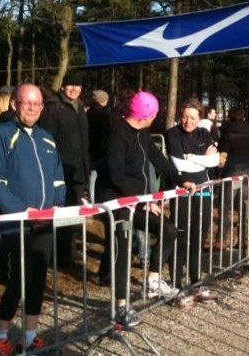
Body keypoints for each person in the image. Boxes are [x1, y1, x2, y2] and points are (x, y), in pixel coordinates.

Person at [95, 90, 196, 327]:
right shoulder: (117, 135)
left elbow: (158, 158)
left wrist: (181, 179)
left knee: (168, 230)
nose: (155, 118)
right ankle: (120, 308)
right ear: (146, 115)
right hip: (117, 204)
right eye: (155, 114)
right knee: (122, 254)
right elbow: (116, 174)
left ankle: (152, 280)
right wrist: (142, 201)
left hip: (136, 202)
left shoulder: (143, 132)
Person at [0, 83, 66, 355]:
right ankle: (0, 336)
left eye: (37, 104)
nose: (32, 108)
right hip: (15, 224)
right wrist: (23, 211)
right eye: (26, 103)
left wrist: (58, 203)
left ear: (42, 108)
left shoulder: (46, 137)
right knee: (17, 282)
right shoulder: (1, 134)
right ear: (14, 104)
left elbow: (58, 177)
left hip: (44, 222)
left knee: (37, 279)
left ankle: (30, 335)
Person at [165, 101, 219, 306]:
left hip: (203, 191)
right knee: (180, 236)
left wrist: (192, 158)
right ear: (180, 115)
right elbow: (178, 164)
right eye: (185, 116)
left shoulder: (205, 134)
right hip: (181, 191)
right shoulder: (172, 134)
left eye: (193, 118)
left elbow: (214, 161)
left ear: (200, 119)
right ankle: (177, 286)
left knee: (199, 236)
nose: (188, 121)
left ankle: (196, 282)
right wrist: (201, 158)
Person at [38, 70, 90, 267]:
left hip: (78, 170)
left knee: (74, 214)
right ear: (63, 86)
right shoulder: (53, 108)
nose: (74, 89)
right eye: (70, 85)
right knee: (60, 214)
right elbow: (46, 139)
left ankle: (68, 252)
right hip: (60, 170)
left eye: (78, 85)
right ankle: (57, 255)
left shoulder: (81, 107)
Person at [216, 107, 249, 248]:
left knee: (225, 207)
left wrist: (218, 170)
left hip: (231, 171)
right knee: (245, 207)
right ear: (244, 117)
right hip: (247, 172)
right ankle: (244, 240)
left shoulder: (228, 131)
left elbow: (222, 152)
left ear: (230, 117)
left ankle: (221, 240)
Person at [86, 89, 111, 202]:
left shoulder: (88, 113)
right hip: (101, 148)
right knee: (97, 175)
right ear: (103, 100)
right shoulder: (105, 115)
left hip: (90, 147)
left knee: (93, 174)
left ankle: (92, 198)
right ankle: (96, 199)